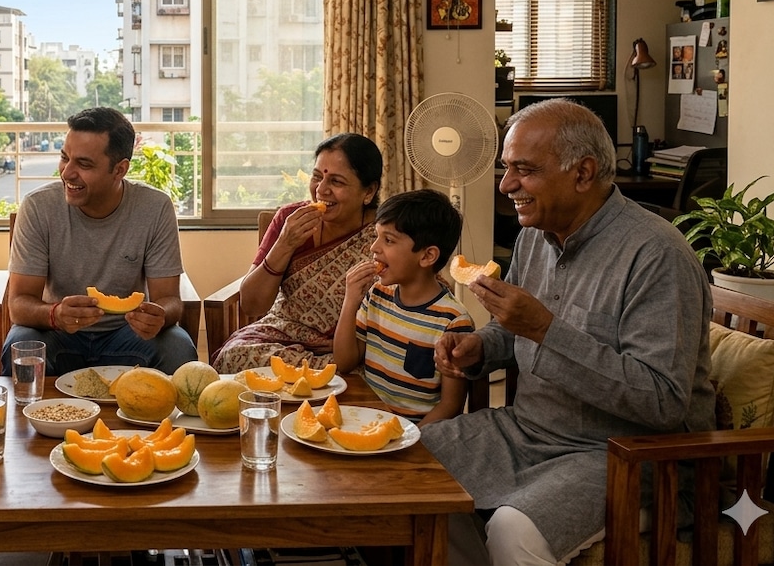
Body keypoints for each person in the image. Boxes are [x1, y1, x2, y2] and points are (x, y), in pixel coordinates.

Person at [422, 98, 715, 566]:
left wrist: (545, 329)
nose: (506, 185)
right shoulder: (533, 236)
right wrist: (479, 347)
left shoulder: (657, 255)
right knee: (412, 468)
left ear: (583, 173)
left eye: (524, 170)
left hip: (626, 456)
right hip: (526, 431)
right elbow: (512, 330)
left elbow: (663, 400)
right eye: (506, 168)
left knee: (513, 530)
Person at [0, 107, 198, 375]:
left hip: (127, 336)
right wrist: (55, 314)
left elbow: (169, 299)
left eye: (84, 164)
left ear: (119, 170)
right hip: (58, 335)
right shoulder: (38, 207)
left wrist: (159, 315)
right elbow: (19, 304)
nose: (67, 173)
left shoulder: (155, 208)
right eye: (64, 157)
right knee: (21, 343)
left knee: (177, 346)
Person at [210, 133, 383, 374]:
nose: (321, 189)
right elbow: (251, 305)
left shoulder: (386, 232)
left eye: (336, 182)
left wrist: (353, 344)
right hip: (284, 336)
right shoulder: (289, 220)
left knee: (372, 371)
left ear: (369, 192)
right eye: (317, 177)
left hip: (354, 347)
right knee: (236, 356)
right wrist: (285, 243)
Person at [334, 189, 473, 425]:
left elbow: (451, 405)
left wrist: (411, 438)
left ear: (427, 256)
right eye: (376, 236)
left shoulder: (453, 321)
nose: (374, 248)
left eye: (388, 240)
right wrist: (350, 301)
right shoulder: (377, 294)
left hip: (416, 433)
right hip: (365, 423)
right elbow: (343, 362)